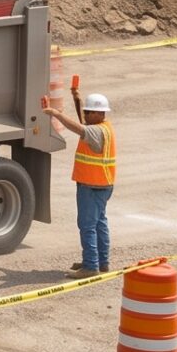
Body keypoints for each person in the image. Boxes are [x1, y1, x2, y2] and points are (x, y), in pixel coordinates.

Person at [44, 91, 117, 274]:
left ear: (99, 114)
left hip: (91, 185)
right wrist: (77, 98)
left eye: (89, 112)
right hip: (103, 184)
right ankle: (102, 262)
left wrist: (56, 114)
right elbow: (82, 123)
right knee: (99, 223)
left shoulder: (94, 132)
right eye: (85, 111)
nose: (85, 115)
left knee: (87, 225)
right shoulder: (105, 128)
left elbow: (78, 128)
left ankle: (91, 265)